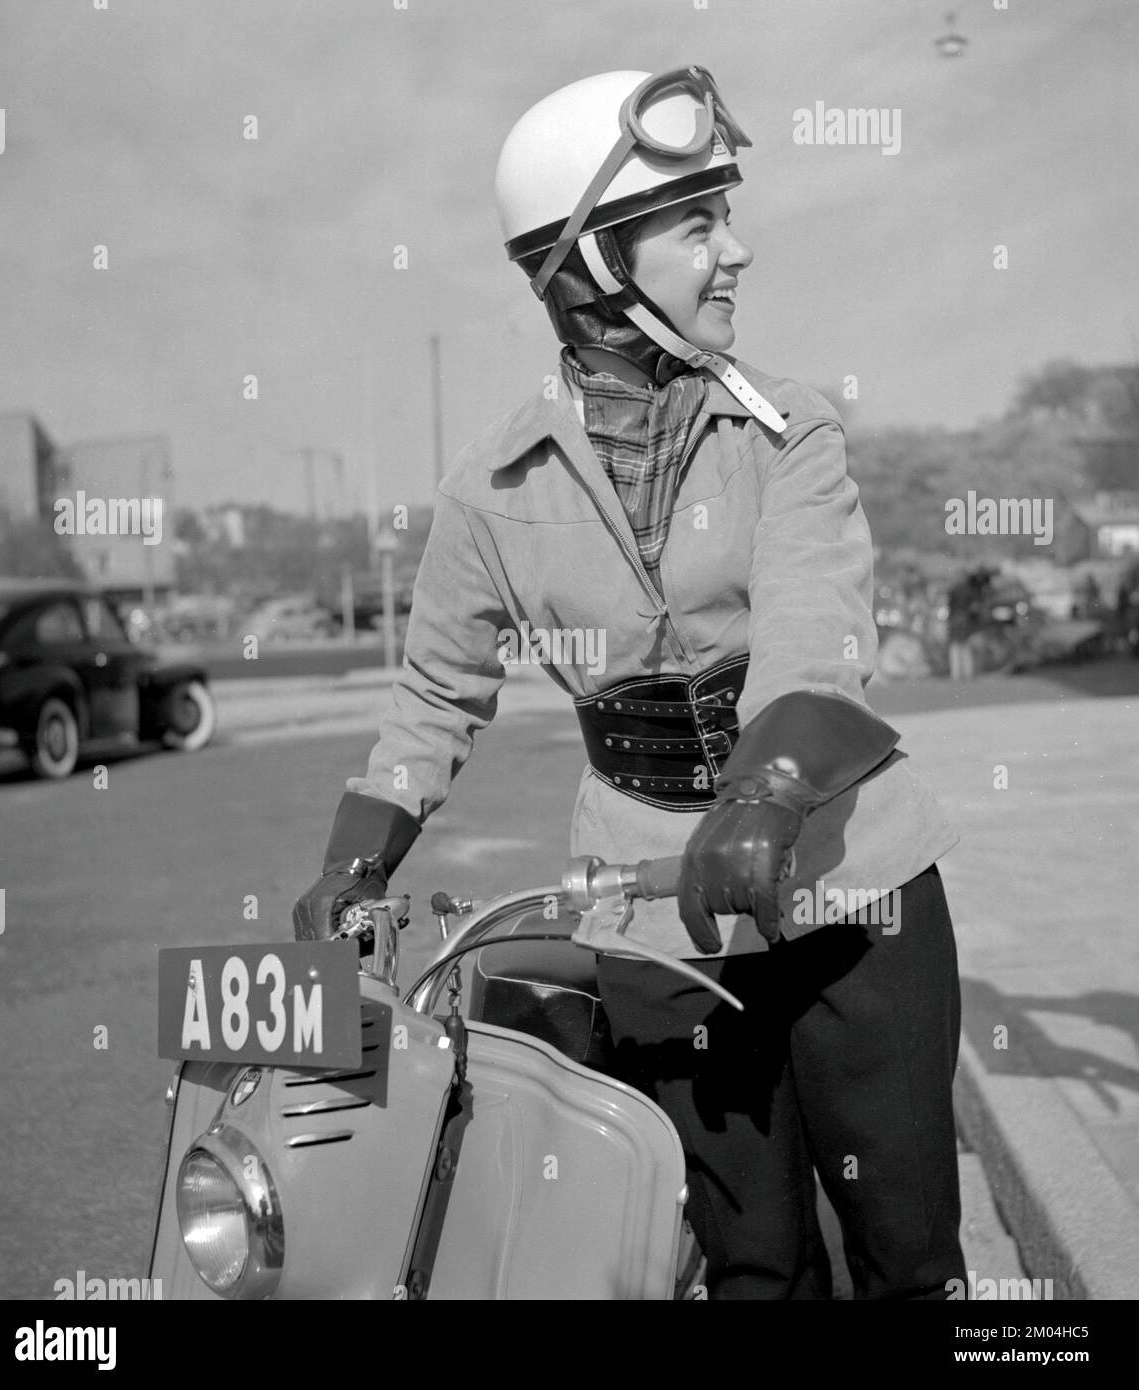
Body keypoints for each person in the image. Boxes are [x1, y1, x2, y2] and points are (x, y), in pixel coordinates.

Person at [293, 66, 965, 1300]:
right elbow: (435, 694)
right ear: (595, 263)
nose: (738, 252)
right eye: (697, 224)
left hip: (849, 884)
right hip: (655, 918)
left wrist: (766, 789)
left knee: (910, 1259)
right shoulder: (487, 490)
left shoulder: (787, 432)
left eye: (727, 216)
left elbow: (815, 631)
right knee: (750, 1264)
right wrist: (358, 858)